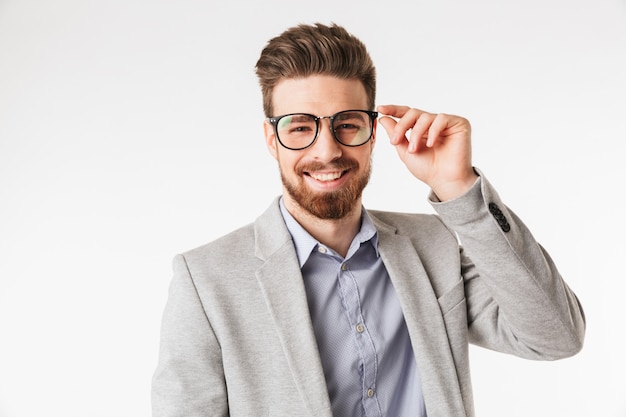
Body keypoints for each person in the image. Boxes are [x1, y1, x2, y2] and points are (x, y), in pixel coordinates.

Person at [151, 23, 585, 417]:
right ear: (272, 139)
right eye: (300, 127)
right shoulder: (207, 280)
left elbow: (556, 337)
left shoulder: (433, 246)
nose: (327, 151)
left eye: (347, 124)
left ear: (373, 131)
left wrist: (459, 191)